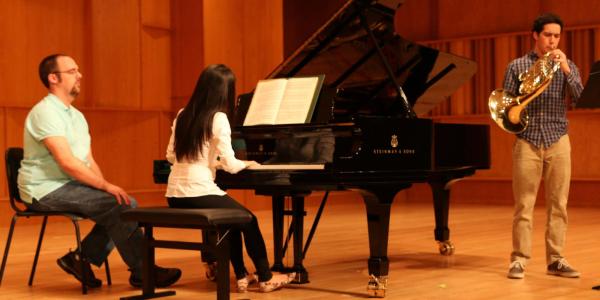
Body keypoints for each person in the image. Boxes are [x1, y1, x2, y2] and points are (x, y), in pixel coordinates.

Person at [17, 54, 182, 288]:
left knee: (118, 202)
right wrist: (104, 187)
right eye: (72, 71)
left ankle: (81, 258)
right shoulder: (45, 112)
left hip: (67, 184)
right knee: (121, 205)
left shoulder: (76, 116)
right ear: (53, 78)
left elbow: (87, 160)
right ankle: (142, 271)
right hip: (44, 188)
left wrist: (105, 188)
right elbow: (66, 161)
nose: (80, 75)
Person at [165, 64, 295, 293]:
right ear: (225, 92)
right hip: (198, 190)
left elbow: (171, 156)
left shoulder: (183, 114)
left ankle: (242, 276)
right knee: (249, 219)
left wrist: (210, 162)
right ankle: (266, 277)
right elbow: (232, 165)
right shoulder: (218, 118)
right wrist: (249, 163)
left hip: (174, 194)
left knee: (233, 220)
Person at [503, 13, 584, 279]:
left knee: (559, 204)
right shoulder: (516, 66)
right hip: (527, 140)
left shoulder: (567, 65)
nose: (552, 40)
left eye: (557, 36)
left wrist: (566, 70)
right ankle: (519, 260)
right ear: (535, 35)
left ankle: (556, 259)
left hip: (558, 139)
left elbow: (581, 97)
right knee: (524, 205)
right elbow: (507, 106)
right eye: (547, 35)